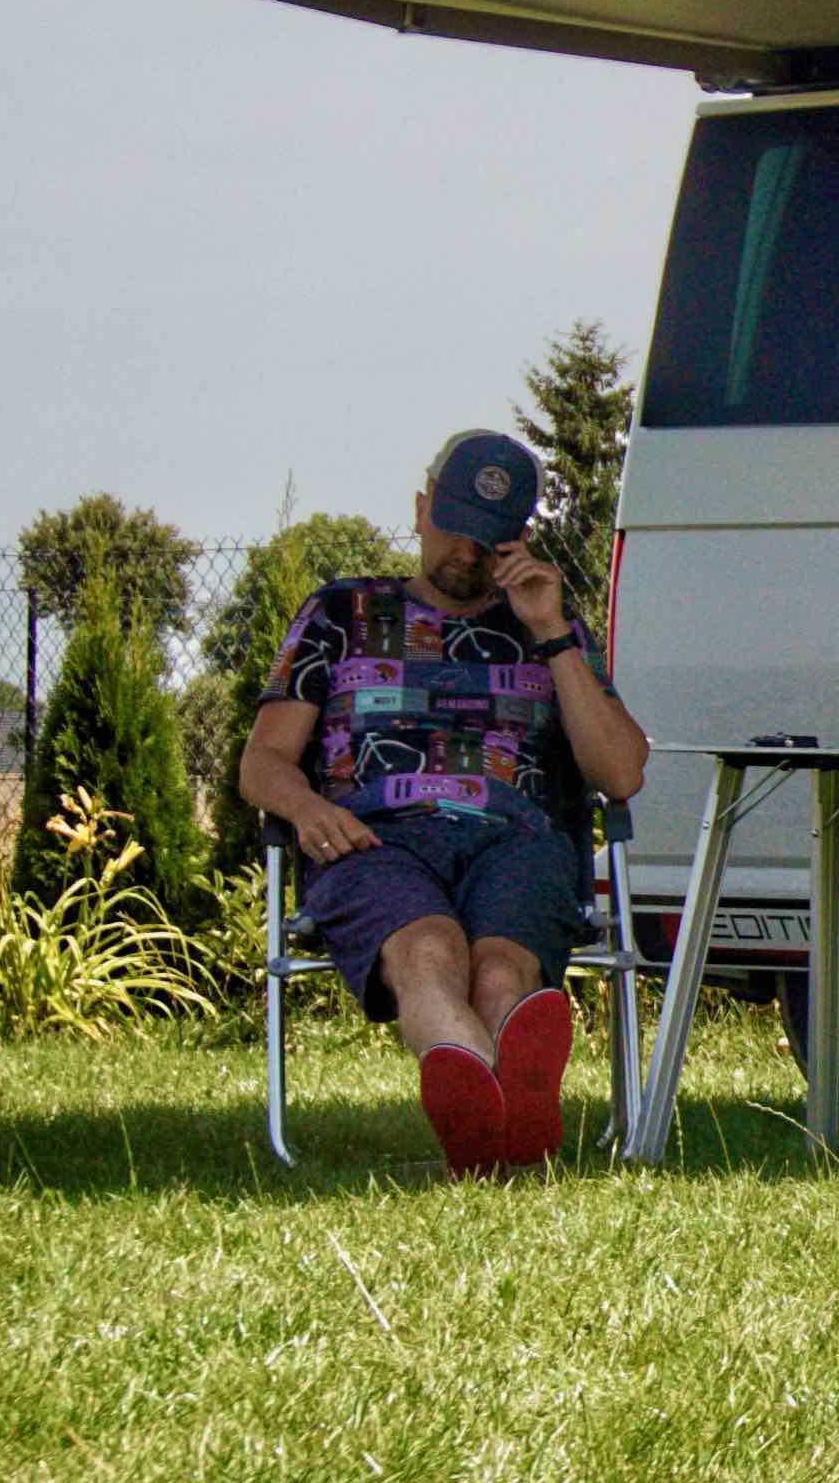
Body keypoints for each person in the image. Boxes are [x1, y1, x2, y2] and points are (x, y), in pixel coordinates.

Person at [237, 429, 650, 1173]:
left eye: (490, 536)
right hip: (375, 838)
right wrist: (305, 810)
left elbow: (620, 773)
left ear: (519, 538)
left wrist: (553, 634)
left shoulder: (548, 629)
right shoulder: (341, 614)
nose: (467, 549)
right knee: (428, 952)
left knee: (499, 973)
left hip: (518, 838)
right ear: (422, 508)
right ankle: (497, 1113)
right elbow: (262, 761)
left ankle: (487, 1128)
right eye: (455, 525)